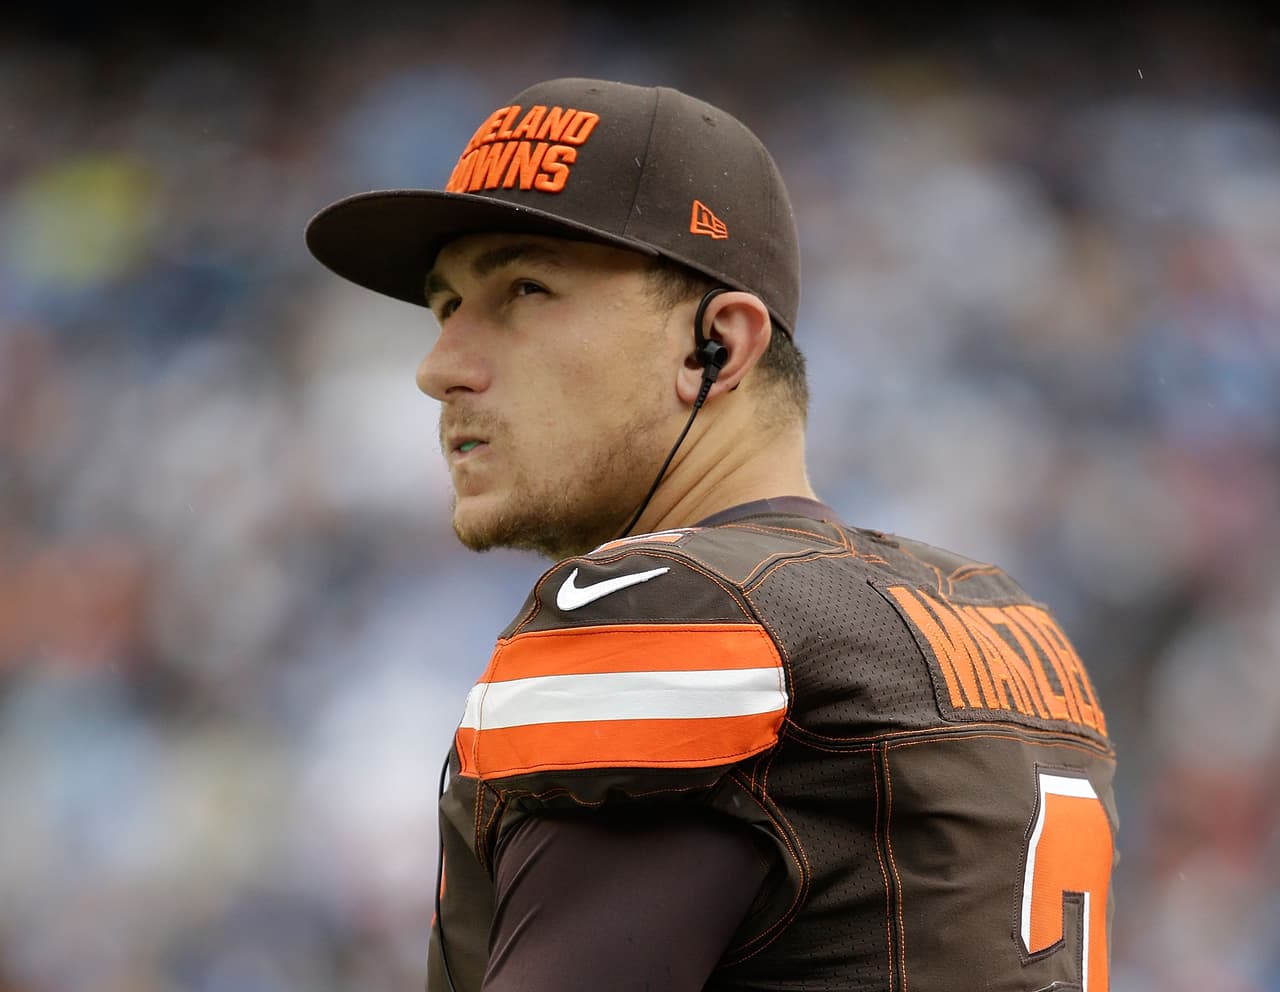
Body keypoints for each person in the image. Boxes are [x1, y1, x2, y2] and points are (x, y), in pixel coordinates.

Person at [306, 77, 1118, 992]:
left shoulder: (674, 617)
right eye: (447, 305)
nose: (438, 367)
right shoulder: (996, 618)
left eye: (524, 289)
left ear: (717, 347)